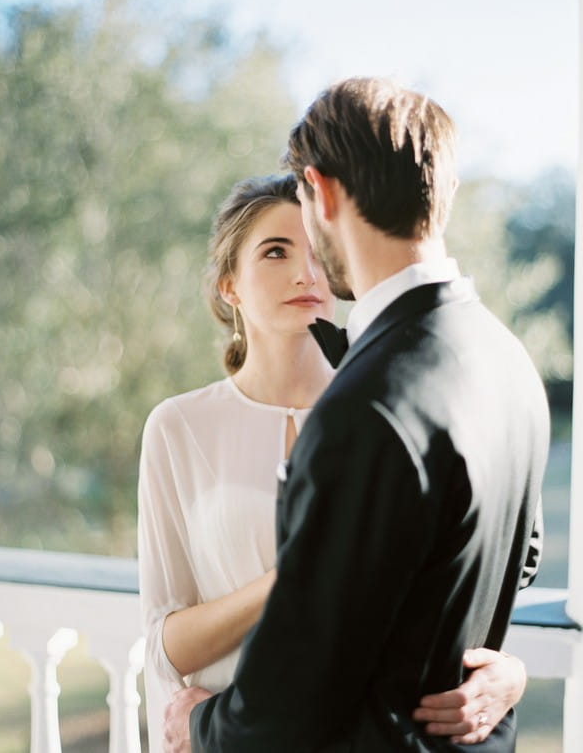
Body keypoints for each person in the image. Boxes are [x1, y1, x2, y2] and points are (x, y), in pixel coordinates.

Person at [164, 79, 549, 752]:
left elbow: (289, 700)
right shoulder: (509, 361)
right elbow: (516, 562)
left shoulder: (363, 408)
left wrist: (198, 723)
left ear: (323, 191)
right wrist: (493, 667)